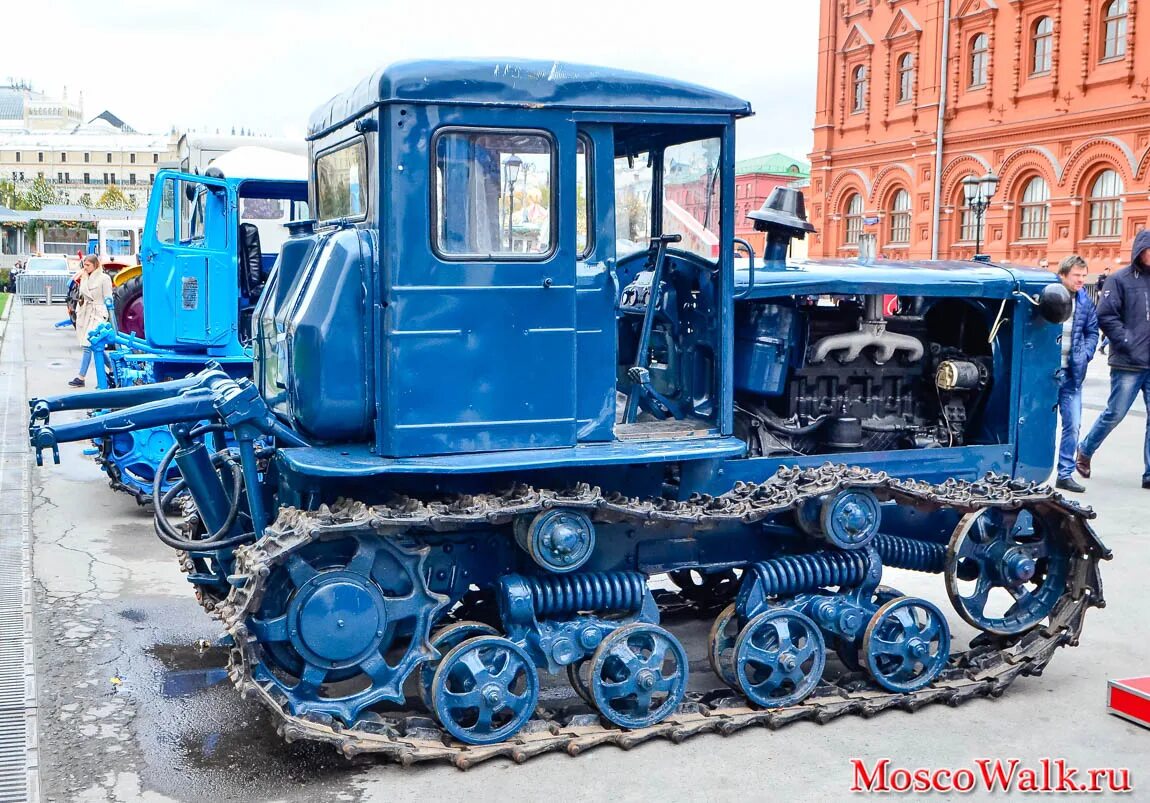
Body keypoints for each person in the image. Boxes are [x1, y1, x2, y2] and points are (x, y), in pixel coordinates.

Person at [1076, 230, 1150, 489]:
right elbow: (1106, 315)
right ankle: (1085, 450)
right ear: (1140, 251)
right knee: (1115, 413)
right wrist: (1127, 341)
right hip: (1128, 362)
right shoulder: (1120, 280)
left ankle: (1149, 473)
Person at [1051, 255, 1098, 493]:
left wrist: (1086, 353)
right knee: (1038, 424)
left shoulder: (1084, 300)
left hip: (1072, 373)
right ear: (1063, 275)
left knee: (1073, 425)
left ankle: (1065, 473)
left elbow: (1092, 331)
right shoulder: (1048, 296)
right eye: (1076, 276)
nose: (1081, 280)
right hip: (1047, 374)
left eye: (1083, 276)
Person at [68, 253, 113, 388]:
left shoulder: (104, 278)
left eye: (88, 265)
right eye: (84, 265)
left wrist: (108, 316)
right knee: (95, 346)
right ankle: (112, 368)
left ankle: (81, 377)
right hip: (85, 312)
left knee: (88, 344)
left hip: (98, 313)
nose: (85, 267)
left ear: (95, 265)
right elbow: (82, 295)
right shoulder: (84, 278)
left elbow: (108, 298)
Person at [1096, 265, 1112, 354]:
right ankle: (1102, 346)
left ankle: (1102, 345)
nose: (1107, 272)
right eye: (1106, 271)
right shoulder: (1100, 278)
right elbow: (1096, 286)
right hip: (1101, 302)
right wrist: (1098, 291)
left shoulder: (1110, 279)